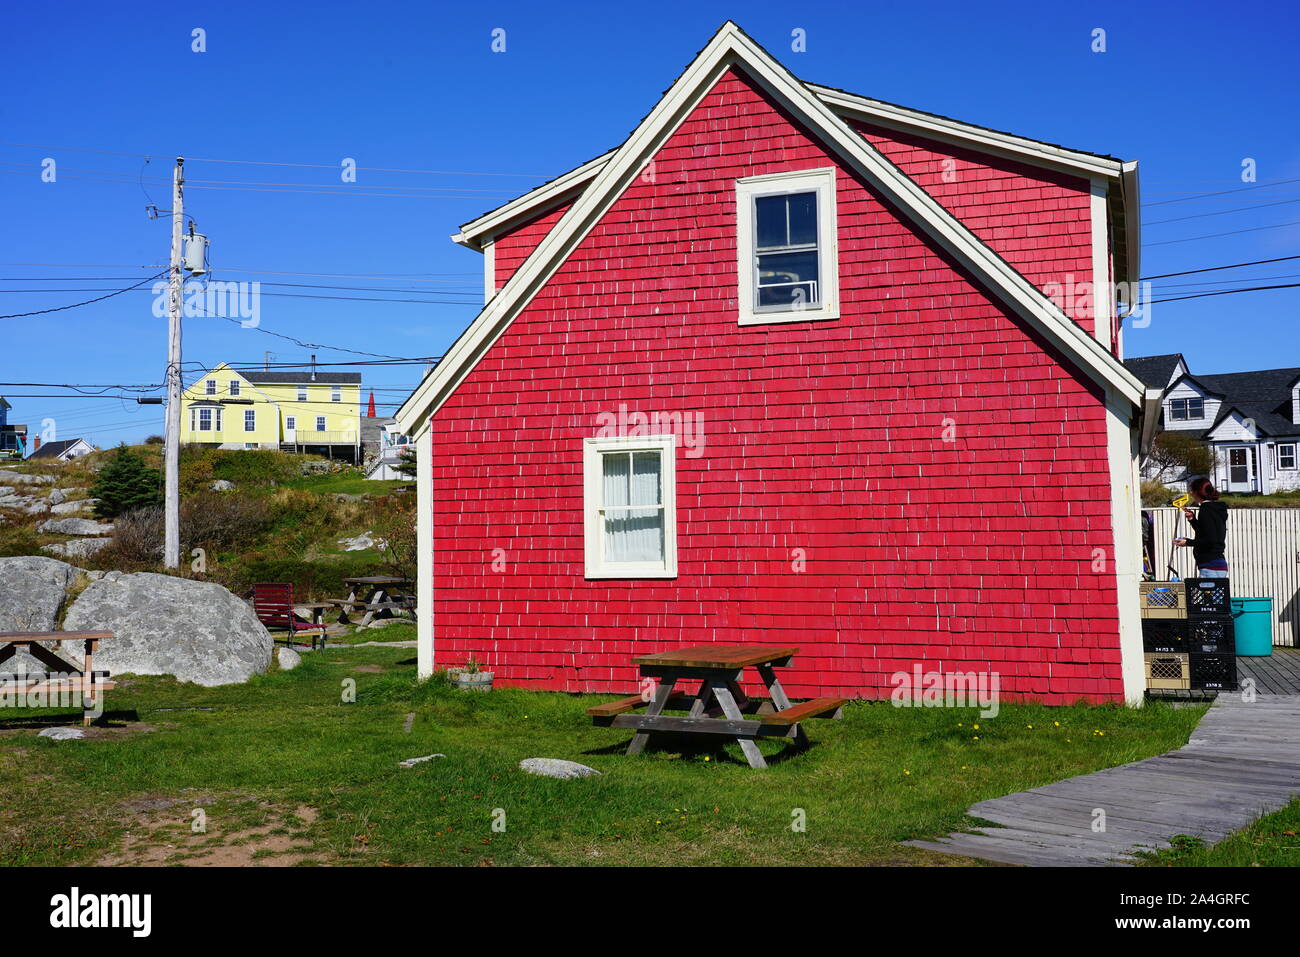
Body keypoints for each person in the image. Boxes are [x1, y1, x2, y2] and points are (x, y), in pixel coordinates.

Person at [1173, 477, 1228, 578]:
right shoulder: (1216, 508)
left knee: (1205, 589)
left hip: (1209, 565)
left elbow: (1209, 540)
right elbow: (1206, 532)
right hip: (1219, 563)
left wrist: (1187, 542)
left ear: (1197, 492)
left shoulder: (1205, 510)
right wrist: (1192, 519)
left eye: (1192, 491)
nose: (1191, 493)